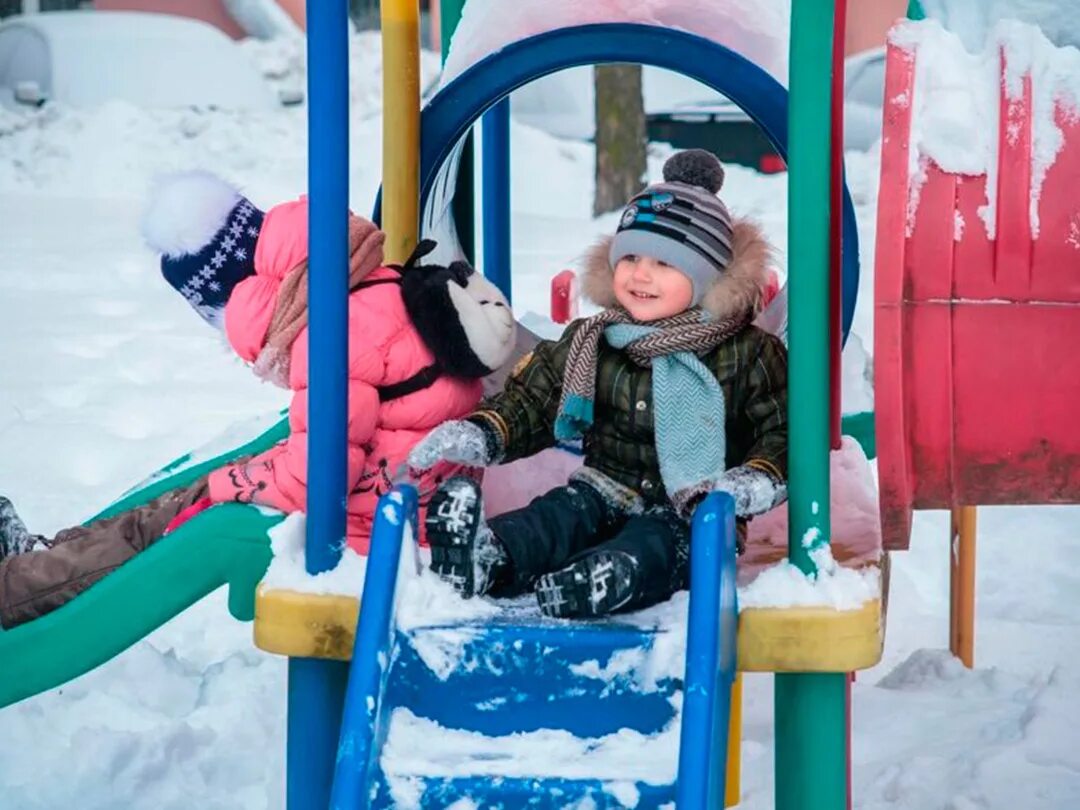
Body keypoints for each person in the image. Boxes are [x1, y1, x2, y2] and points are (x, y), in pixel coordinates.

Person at [0, 173, 515, 629]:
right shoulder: (369, 281)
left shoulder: (334, 332)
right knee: (184, 498)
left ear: (235, 301)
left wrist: (233, 483)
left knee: (174, 519)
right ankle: (44, 559)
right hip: (407, 496)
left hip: (379, 525)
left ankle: (17, 590)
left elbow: (323, 475)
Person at [408, 149, 788, 619]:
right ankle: (488, 557)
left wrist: (758, 477)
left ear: (708, 278)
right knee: (555, 518)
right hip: (603, 487)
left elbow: (782, 427)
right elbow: (536, 398)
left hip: (693, 513)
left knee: (658, 547)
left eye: (666, 264)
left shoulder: (748, 353)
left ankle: (606, 578)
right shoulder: (598, 337)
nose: (640, 274)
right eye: (629, 257)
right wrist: (485, 431)